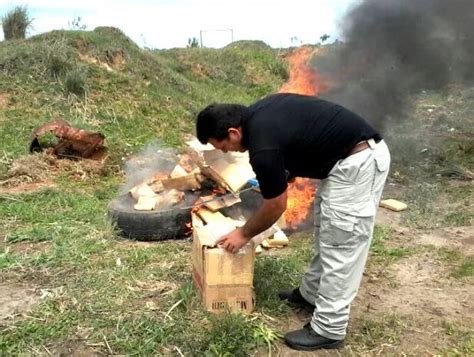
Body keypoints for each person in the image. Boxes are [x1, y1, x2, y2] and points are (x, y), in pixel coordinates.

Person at [196, 93, 390, 351]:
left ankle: (329, 329)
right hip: (342, 162)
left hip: (358, 163)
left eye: (222, 146)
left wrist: (243, 233)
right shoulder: (260, 111)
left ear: (233, 132)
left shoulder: (262, 146)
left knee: (342, 245)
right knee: (329, 234)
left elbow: (276, 205)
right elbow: (300, 136)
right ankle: (310, 295)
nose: (226, 152)